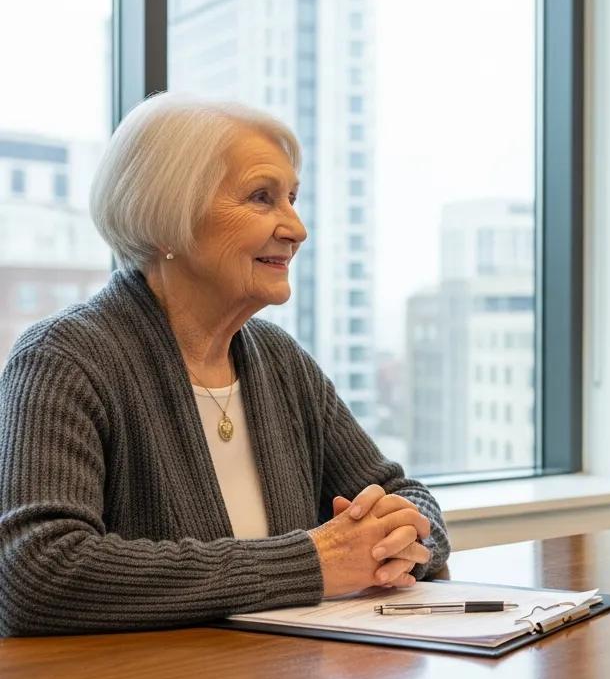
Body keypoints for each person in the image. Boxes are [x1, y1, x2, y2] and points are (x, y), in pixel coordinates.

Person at [0, 93, 451, 635]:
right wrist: (313, 562)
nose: (296, 229)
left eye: (293, 198)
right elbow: (36, 575)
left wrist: (402, 539)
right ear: (166, 217)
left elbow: (401, 494)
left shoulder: (281, 362)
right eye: (263, 198)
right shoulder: (62, 360)